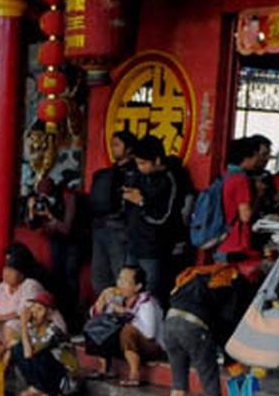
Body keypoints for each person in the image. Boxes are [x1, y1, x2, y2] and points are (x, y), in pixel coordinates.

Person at [163, 262, 256, 396]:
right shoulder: (234, 283)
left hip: (170, 322)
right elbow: (225, 325)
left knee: (178, 387)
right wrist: (231, 361)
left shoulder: (196, 274)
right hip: (194, 327)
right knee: (211, 389)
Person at [0, 292, 78, 396]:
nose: (34, 313)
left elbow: (29, 354)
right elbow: (6, 345)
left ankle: (54, 393)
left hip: (66, 381)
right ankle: (38, 387)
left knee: (39, 354)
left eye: (40, 309)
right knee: (17, 348)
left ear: (48, 314)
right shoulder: (33, 328)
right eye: (33, 308)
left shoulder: (53, 331)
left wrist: (23, 324)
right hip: (51, 374)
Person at [122, 135, 179, 307]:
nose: (140, 167)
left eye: (143, 163)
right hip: (133, 241)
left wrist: (142, 202)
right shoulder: (139, 176)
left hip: (153, 247)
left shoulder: (169, 180)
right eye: (137, 163)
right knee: (127, 288)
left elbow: (164, 216)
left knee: (151, 294)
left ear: (157, 160)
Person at [86, 265, 163, 387]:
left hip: (151, 346)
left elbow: (149, 333)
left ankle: (134, 374)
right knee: (100, 325)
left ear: (137, 286)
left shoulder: (147, 303)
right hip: (126, 346)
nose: (120, 284)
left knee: (127, 331)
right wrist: (102, 299)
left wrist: (125, 313)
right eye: (119, 279)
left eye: (125, 281)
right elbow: (94, 315)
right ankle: (105, 368)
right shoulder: (118, 298)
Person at [24, 173, 82, 324]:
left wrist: (50, 216)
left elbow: (67, 228)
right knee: (57, 276)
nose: (44, 198)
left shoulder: (68, 197)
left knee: (70, 276)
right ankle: (59, 312)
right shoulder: (41, 199)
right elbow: (32, 226)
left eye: (46, 195)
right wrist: (31, 211)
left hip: (74, 240)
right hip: (56, 240)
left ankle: (72, 316)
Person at [88, 131, 138, 293]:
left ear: (129, 149)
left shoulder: (135, 173)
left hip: (120, 229)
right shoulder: (107, 173)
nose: (113, 148)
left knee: (121, 275)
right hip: (100, 226)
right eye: (112, 144)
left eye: (117, 145)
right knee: (100, 277)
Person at [0, 245, 61, 342]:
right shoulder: (0, 288)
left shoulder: (30, 285)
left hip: (40, 329)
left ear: (22, 273)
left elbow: (23, 314)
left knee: (12, 326)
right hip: (10, 326)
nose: (7, 273)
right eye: (6, 268)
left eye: (11, 269)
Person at [217, 137, 266, 262]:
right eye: (256, 155)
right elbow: (246, 216)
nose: (258, 160)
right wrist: (259, 195)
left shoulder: (227, 174)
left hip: (222, 240)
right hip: (235, 244)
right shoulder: (241, 180)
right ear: (247, 157)